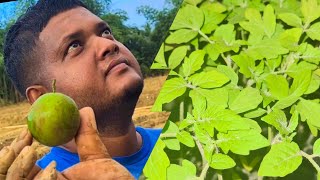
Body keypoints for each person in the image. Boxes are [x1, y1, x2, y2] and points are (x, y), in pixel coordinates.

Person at [2, 0, 162, 179]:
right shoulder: (45, 176)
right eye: (74, 45)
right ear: (42, 97)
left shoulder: (188, 140)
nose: (108, 44)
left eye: (105, 32)